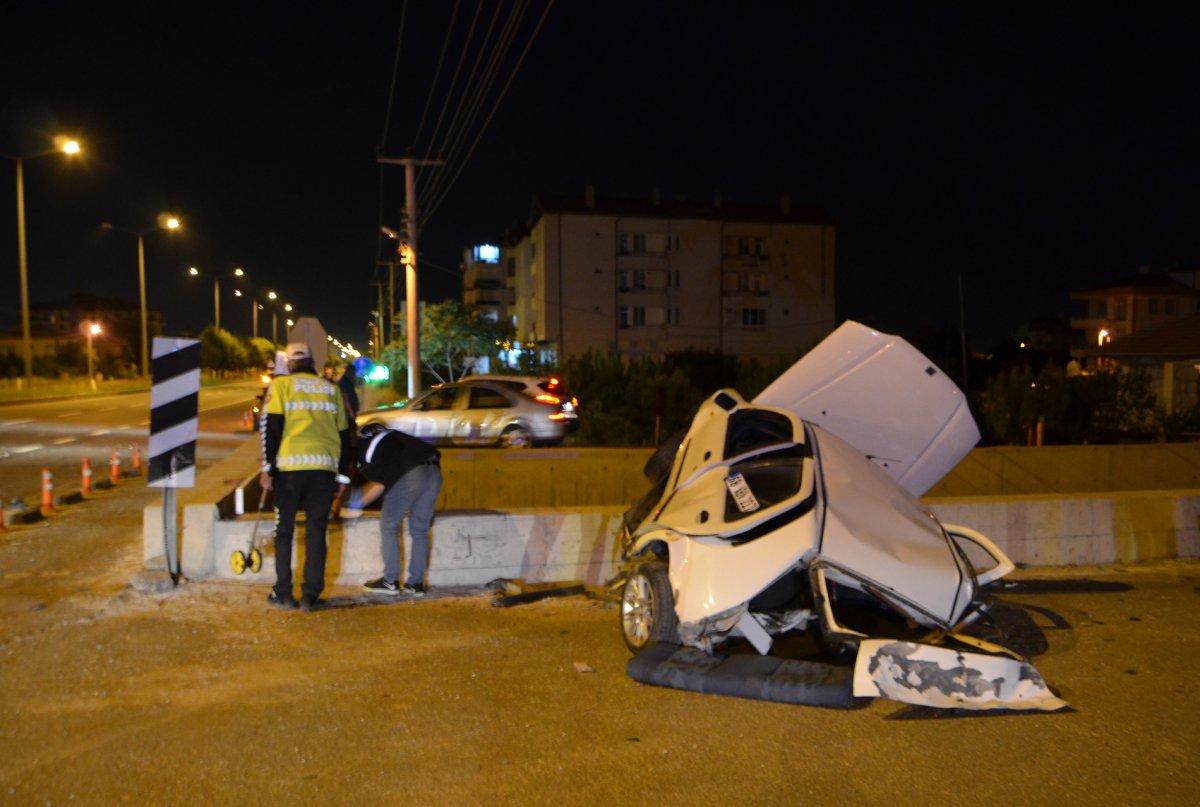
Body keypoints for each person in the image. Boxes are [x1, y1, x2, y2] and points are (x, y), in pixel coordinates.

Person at [260, 342, 352, 611]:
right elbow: (345, 436)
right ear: (312, 361)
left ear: (289, 364)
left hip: (289, 471)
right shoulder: (331, 389)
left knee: (284, 532)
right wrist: (343, 477)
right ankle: (310, 596)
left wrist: (268, 469)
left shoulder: (282, 386)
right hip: (323, 471)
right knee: (316, 531)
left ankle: (284, 593)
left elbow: (273, 430)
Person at [352, 422, 442, 597]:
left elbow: (378, 484)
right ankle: (416, 584)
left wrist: (354, 504)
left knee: (389, 525)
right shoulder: (397, 436)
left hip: (409, 472)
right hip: (434, 471)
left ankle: (390, 581)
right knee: (420, 530)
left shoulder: (366, 445)